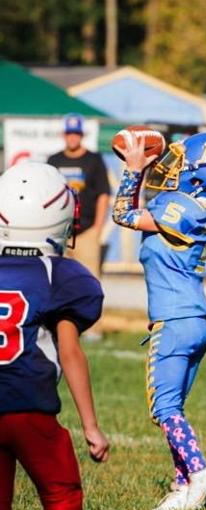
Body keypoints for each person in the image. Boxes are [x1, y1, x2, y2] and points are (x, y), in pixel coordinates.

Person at [112, 131, 206, 510]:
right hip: (194, 322)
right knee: (174, 411)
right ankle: (182, 486)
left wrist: (133, 171)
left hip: (173, 322)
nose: (173, 169)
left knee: (163, 409)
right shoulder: (195, 211)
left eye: (182, 165)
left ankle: (201, 473)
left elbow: (123, 213)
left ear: (201, 176)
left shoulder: (182, 207)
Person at [0, 162, 110, 510]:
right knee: (63, 500)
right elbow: (70, 351)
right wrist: (90, 426)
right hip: (29, 412)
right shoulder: (58, 275)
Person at [47, 113, 111, 340]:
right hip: (60, 232)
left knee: (90, 281)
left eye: (76, 133)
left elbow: (103, 194)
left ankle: (93, 329)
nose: (73, 137)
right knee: (57, 281)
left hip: (86, 231)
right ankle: (56, 326)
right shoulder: (54, 160)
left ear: (81, 135)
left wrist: (98, 227)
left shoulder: (93, 160)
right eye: (69, 133)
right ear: (63, 134)